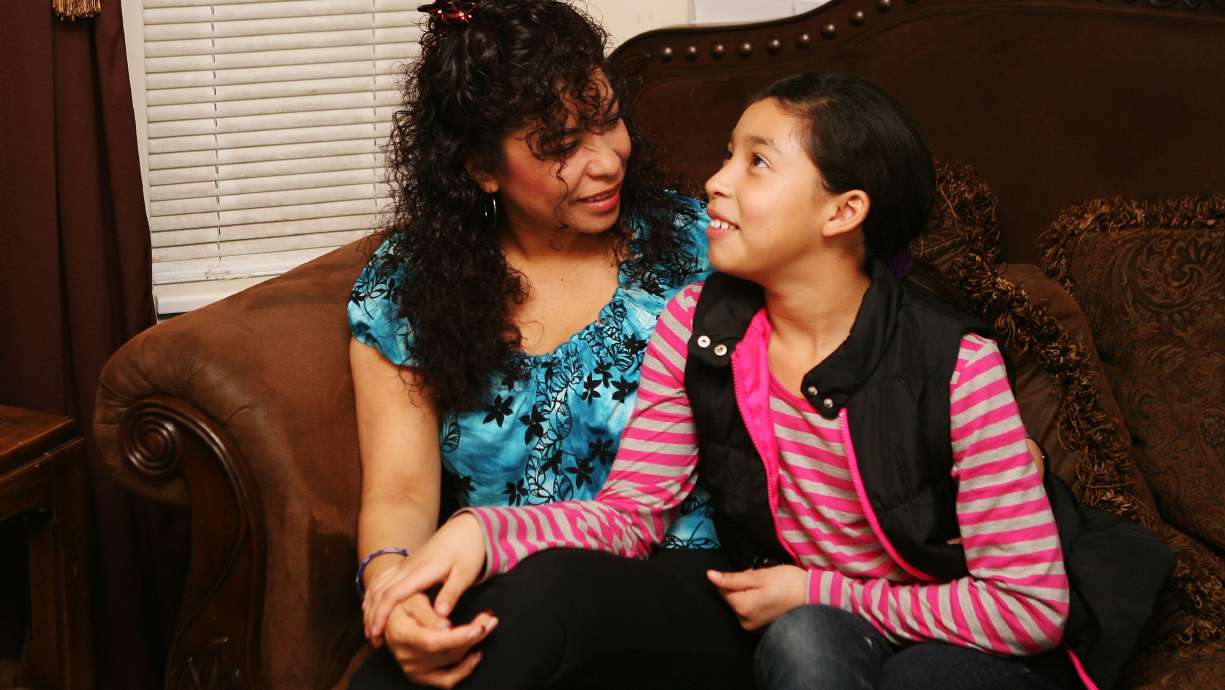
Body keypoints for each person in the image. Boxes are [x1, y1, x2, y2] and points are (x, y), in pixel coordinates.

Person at [364, 73, 1164, 690]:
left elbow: (1026, 608)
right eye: (726, 154)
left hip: (962, 624)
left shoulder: (955, 365)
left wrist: (820, 590)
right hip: (816, 618)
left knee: (900, 669)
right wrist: (483, 531)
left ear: (843, 212)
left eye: (754, 163)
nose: (714, 182)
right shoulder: (700, 324)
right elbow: (633, 513)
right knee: (802, 641)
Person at [347, 1, 755, 688]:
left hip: (682, 584)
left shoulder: (701, 250)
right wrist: (396, 596)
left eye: (609, 119)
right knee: (394, 673)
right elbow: (398, 488)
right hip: (505, 596)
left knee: (550, 593)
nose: (606, 162)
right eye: (562, 147)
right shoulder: (406, 286)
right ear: (481, 167)